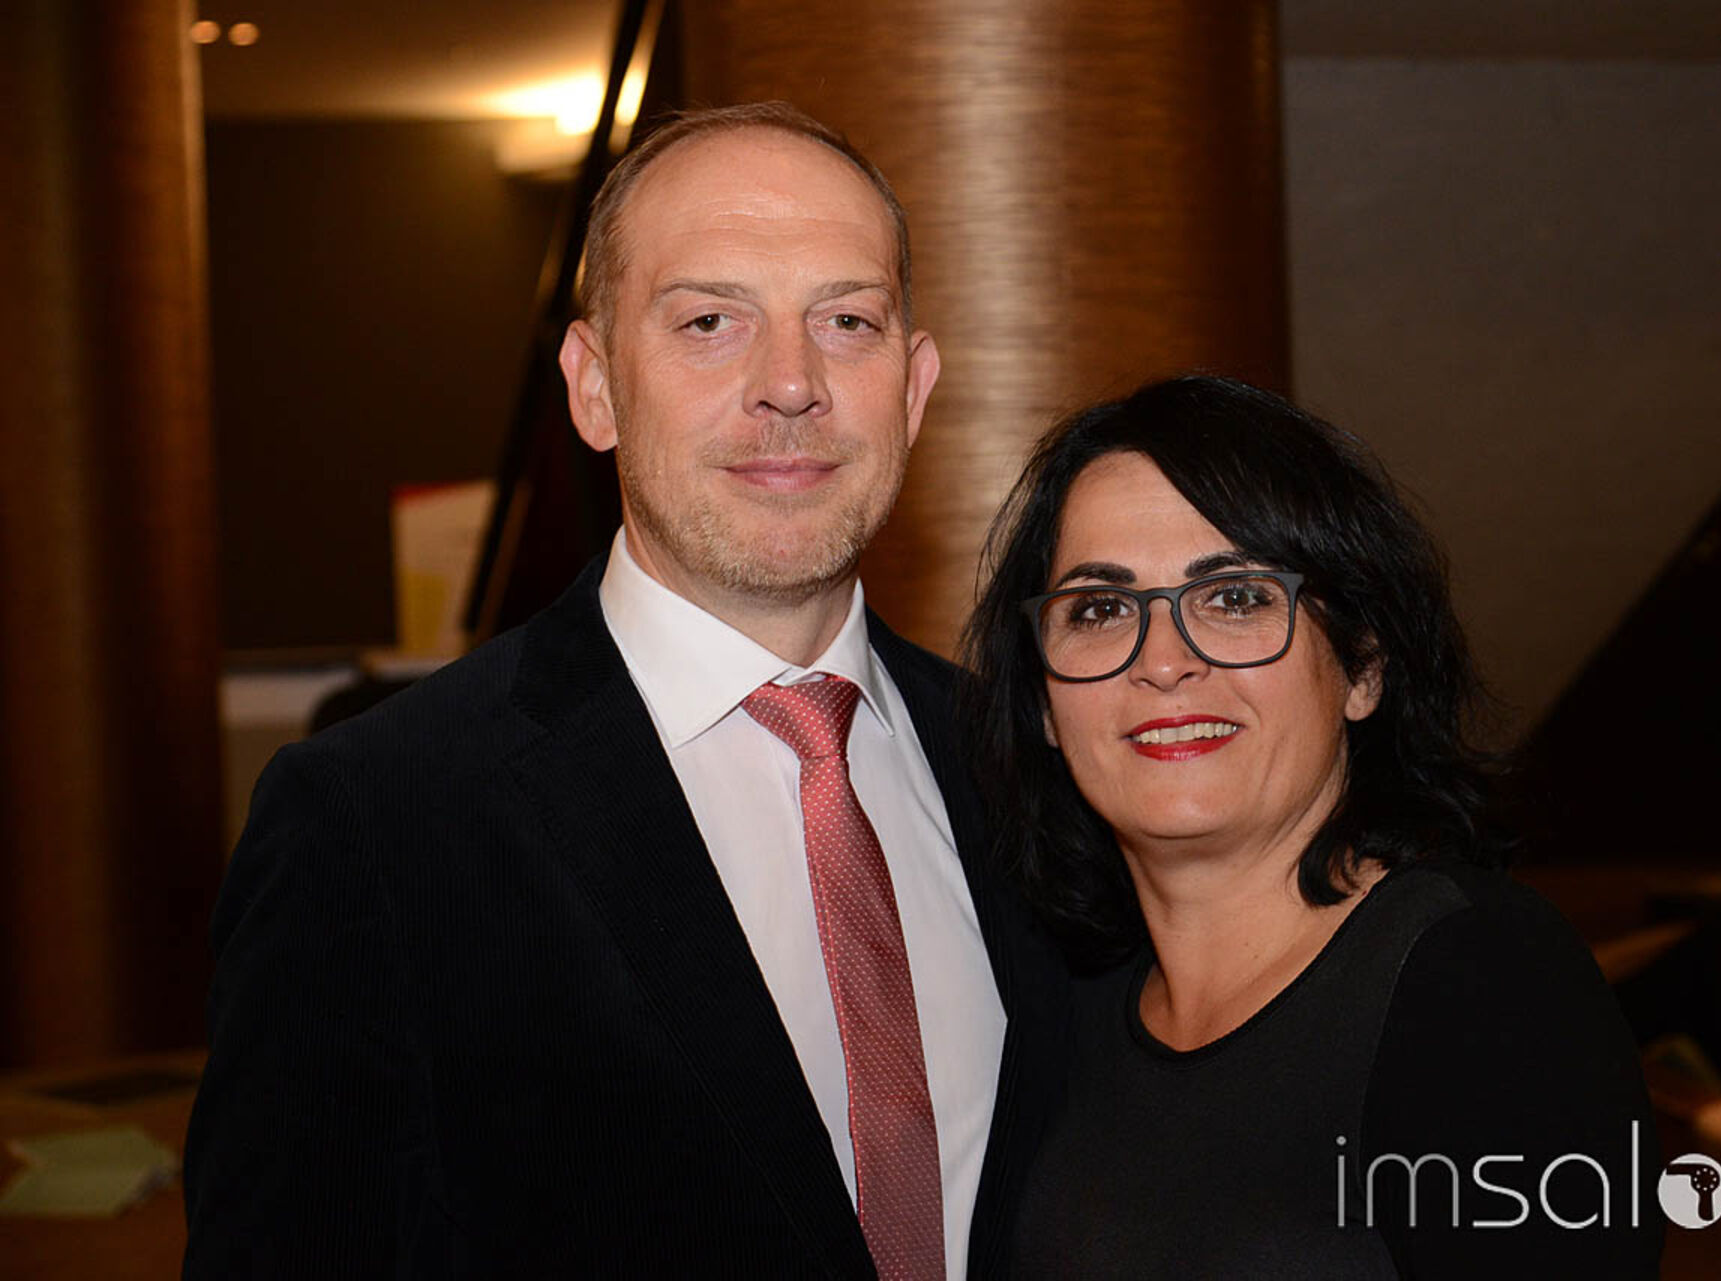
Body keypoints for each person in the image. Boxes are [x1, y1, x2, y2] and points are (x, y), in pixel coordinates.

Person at [185, 102, 1064, 1279]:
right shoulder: (373, 823)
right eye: (709, 321)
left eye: (847, 321)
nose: (790, 383)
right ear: (594, 386)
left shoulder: (1032, 768)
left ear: (912, 388)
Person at [959, 375, 1663, 1278]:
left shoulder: (1475, 982)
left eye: (1235, 597)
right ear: (1045, 706)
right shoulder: (1060, 1015)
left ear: (1363, 667)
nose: (1164, 661)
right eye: (1100, 609)